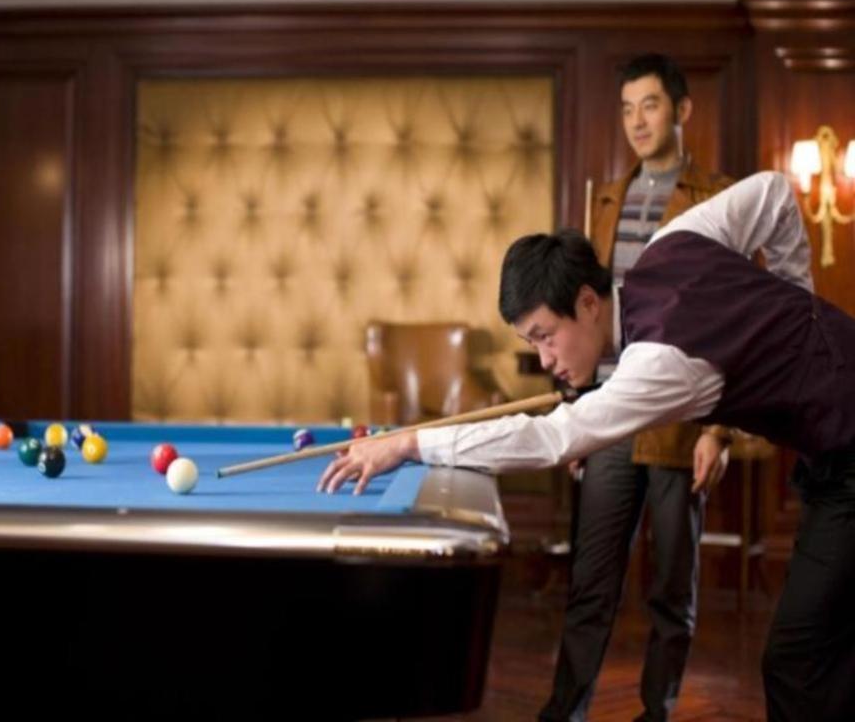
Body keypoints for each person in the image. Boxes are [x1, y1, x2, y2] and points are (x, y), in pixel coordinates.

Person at [317, 171, 855, 722]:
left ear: (588, 302)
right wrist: (800, 303)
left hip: (849, 459)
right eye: (531, 343)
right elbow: (773, 193)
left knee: (796, 663)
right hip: (830, 461)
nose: (545, 359)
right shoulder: (669, 243)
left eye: (545, 335)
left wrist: (409, 443)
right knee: (817, 655)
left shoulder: (660, 362)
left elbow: (551, 436)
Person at [533, 53, 735, 722]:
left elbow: (734, 314)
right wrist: (579, 417)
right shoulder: (606, 201)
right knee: (591, 584)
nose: (637, 121)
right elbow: (584, 316)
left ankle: (657, 712)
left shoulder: (717, 197)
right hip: (612, 412)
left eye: (649, 105)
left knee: (672, 590)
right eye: (626, 109)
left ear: (681, 110)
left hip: (680, 418)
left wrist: (718, 430)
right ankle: (566, 711)